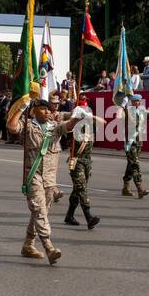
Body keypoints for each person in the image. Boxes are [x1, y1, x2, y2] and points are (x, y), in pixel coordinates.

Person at [8, 98, 80, 264]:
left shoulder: (54, 127)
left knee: (41, 212)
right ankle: (49, 247)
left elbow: (67, 127)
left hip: (49, 179)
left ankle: (28, 244)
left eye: (49, 110)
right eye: (43, 109)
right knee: (39, 210)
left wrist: (77, 117)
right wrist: (21, 109)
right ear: (34, 111)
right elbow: (12, 127)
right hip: (33, 176)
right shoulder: (28, 125)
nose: (48, 112)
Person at [64, 96, 101, 230]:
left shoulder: (90, 126)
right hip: (77, 161)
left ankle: (69, 215)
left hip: (87, 163)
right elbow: (68, 125)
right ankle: (89, 216)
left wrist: (91, 116)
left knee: (77, 190)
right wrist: (76, 116)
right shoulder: (73, 127)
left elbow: (104, 122)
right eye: (82, 109)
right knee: (81, 189)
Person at [121, 93, 149, 198]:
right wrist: (122, 105)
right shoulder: (127, 111)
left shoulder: (142, 111)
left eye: (139, 101)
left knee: (131, 163)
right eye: (136, 101)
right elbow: (119, 114)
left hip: (138, 141)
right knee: (135, 164)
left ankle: (125, 188)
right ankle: (140, 188)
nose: (138, 102)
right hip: (130, 142)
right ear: (132, 102)